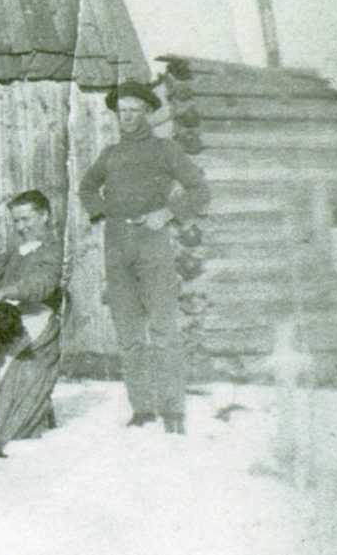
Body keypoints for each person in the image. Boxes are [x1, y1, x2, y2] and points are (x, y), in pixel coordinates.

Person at [78, 80, 210, 434]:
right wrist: (102, 212)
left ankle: (172, 410)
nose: (128, 117)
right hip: (117, 246)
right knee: (129, 334)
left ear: (148, 111)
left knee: (164, 329)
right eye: (122, 111)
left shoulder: (165, 150)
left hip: (153, 244)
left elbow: (200, 190)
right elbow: (87, 187)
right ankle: (142, 408)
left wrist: (166, 214)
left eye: (134, 110)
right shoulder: (110, 154)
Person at [0, 189, 64, 444]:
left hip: (37, 318)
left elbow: (43, 285)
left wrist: (4, 292)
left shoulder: (54, 249)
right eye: (16, 221)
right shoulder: (17, 251)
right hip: (5, 316)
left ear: (44, 216)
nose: (21, 227)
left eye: (26, 219)